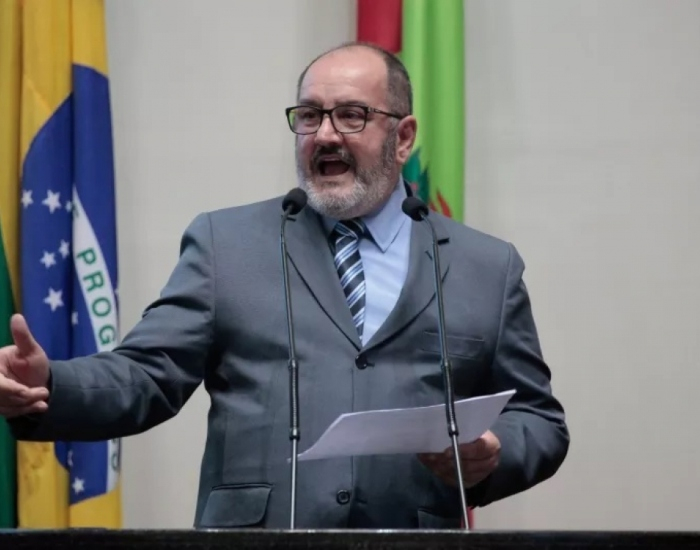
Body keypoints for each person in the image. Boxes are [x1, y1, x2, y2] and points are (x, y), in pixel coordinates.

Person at [0, 42, 569, 529]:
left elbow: (540, 420)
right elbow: (146, 375)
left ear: (403, 137)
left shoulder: (484, 267)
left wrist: (494, 452)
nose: (325, 135)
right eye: (310, 115)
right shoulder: (227, 244)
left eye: (351, 116)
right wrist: (48, 384)